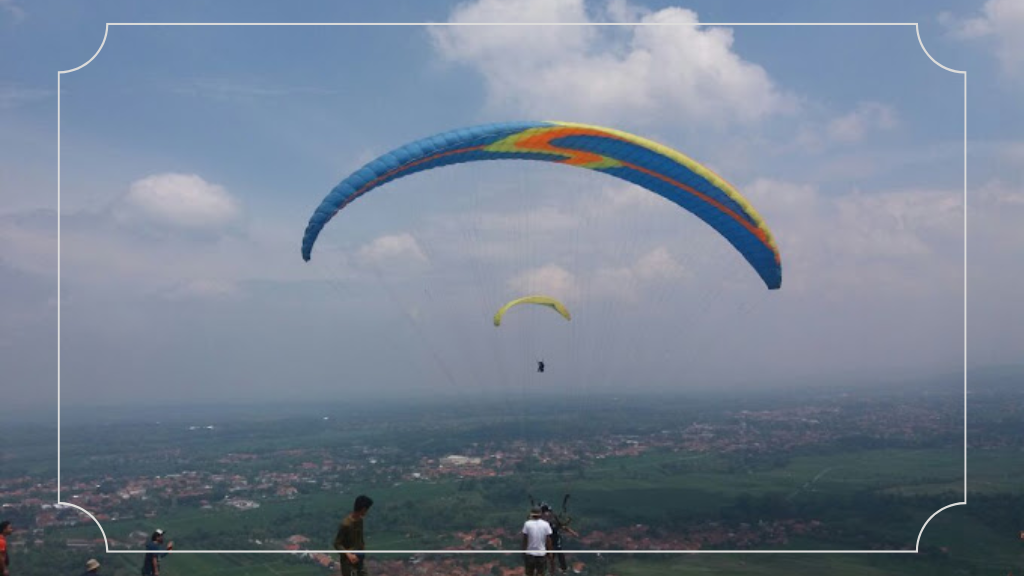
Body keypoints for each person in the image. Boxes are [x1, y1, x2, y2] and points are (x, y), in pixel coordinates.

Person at [334, 494, 373, 576]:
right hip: (348, 562)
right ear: (363, 509)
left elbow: (360, 538)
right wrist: (348, 555)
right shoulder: (346, 524)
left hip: (359, 558)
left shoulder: (360, 521)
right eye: (367, 509)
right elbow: (337, 543)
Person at [540, 503, 579, 575]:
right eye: (546, 512)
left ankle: (562, 569)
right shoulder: (540, 522)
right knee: (547, 558)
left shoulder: (554, 519)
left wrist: (572, 532)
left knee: (559, 555)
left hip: (555, 541)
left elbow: (562, 526)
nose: (548, 513)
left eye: (549, 512)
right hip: (546, 543)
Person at [521, 507, 552, 576]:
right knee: (541, 573)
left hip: (530, 553)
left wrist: (523, 551)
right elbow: (548, 540)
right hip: (541, 553)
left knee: (529, 573)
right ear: (540, 514)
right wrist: (550, 552)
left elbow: (525, 539)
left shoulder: (527, 524)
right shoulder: (546, 524)